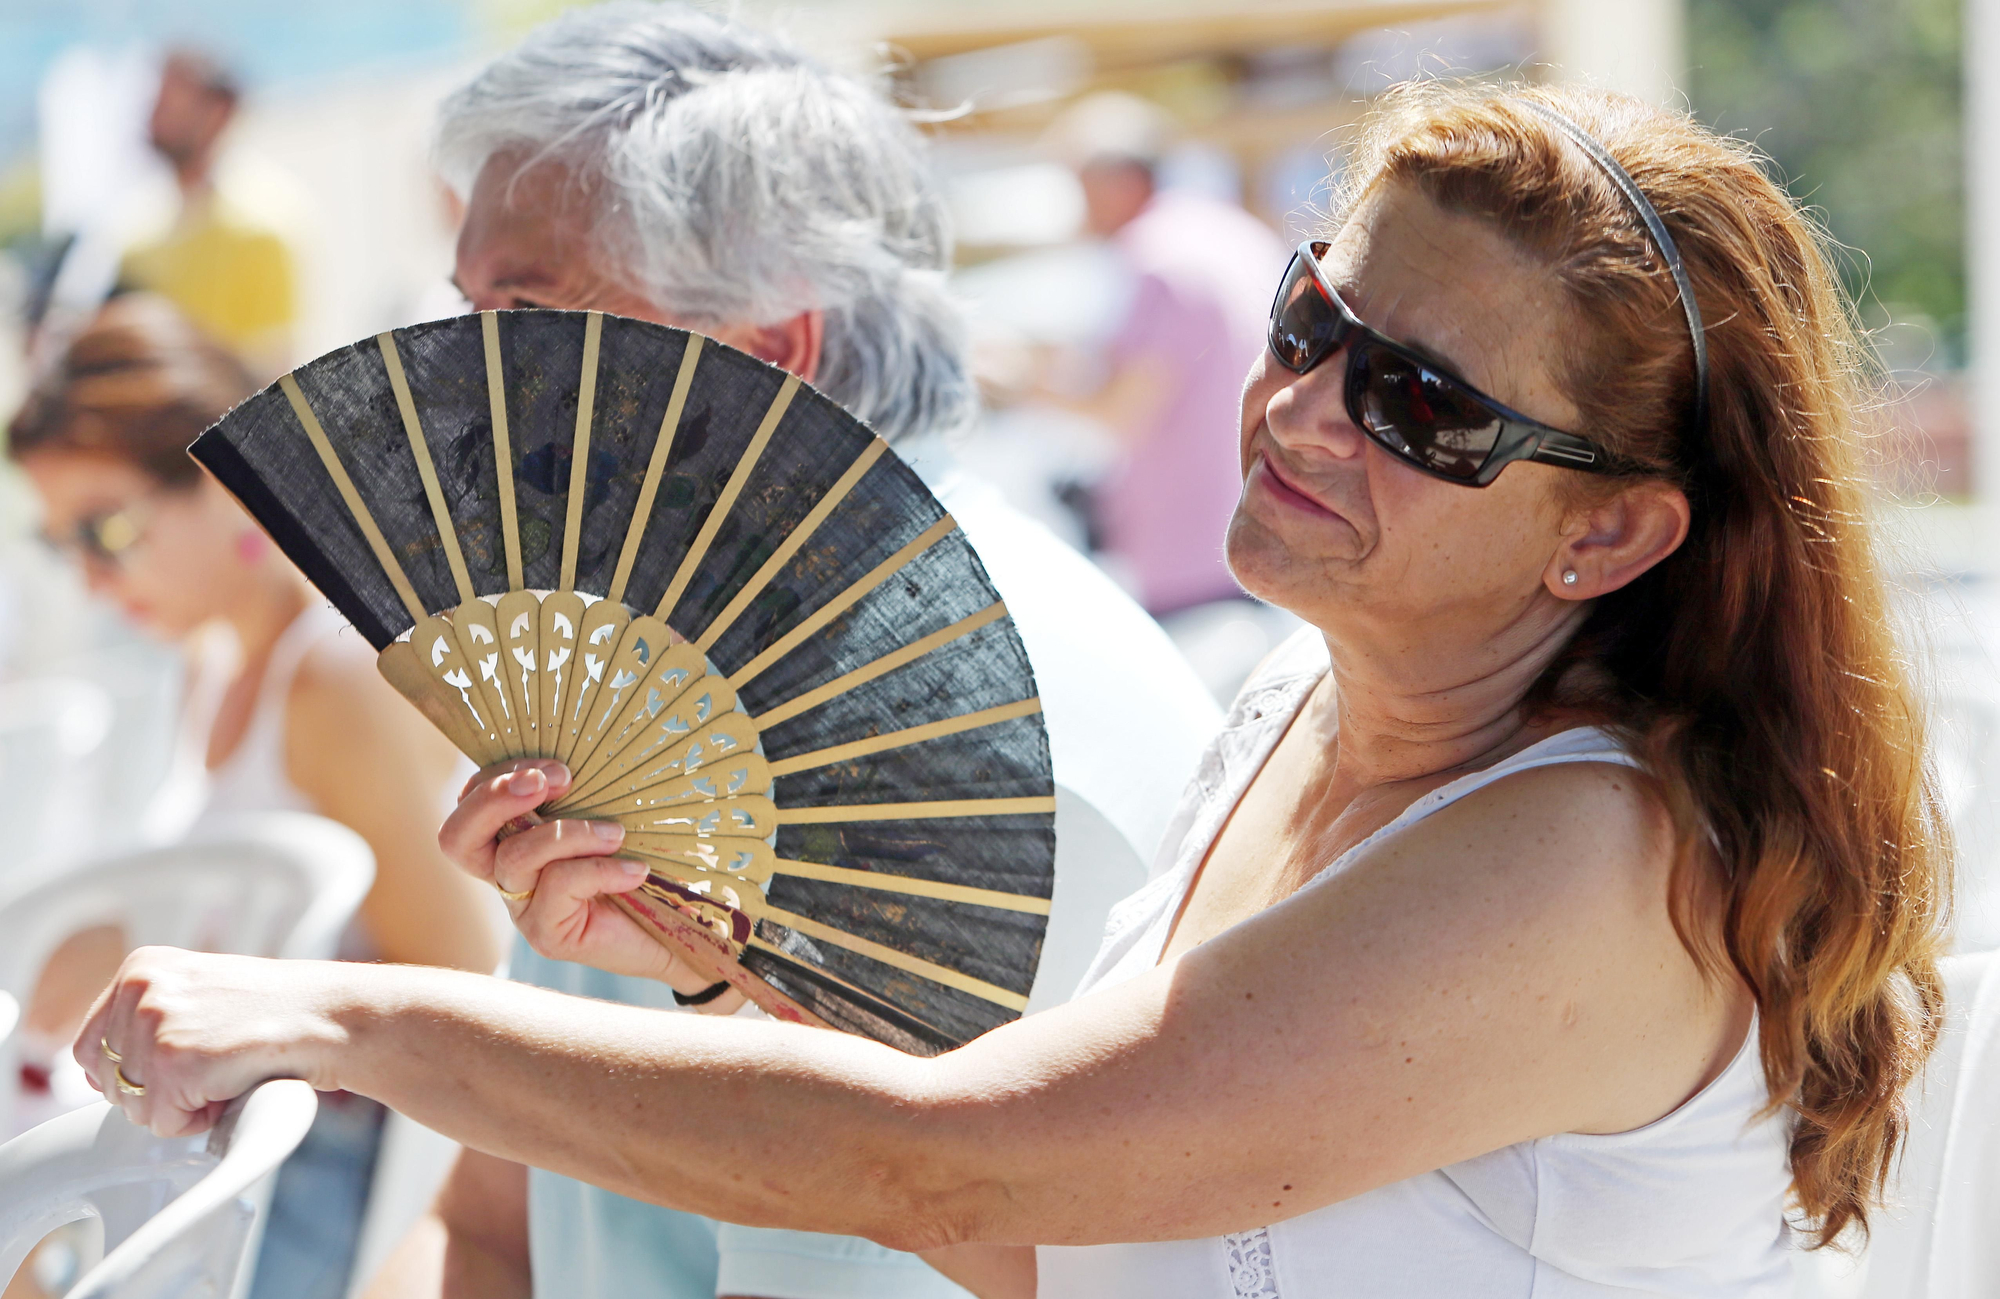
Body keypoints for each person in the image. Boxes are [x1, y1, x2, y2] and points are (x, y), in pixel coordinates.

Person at [77, 80, 1949, 1299]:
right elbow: (1068, 1234)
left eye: (1420, 404)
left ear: (1610, 536)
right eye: (1314, 319)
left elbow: (951, 1176)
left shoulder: (1583, 860)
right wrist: (733, 959)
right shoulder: (1290, 719)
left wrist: (337, 1015)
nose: (1299, 406)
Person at [387, 6, 1220, 1298]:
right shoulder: (654, 660)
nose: (457, 381)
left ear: (761, 353)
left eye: (524, 311)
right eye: (467, 309)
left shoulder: (943, 730)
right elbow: (490, 1217)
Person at [8, 293, 501, 1299]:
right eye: (64, 547)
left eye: (106, 531)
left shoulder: (328, 678)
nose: (94, 581)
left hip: (307, 1174)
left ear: (224, 485)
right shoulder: (216, 659)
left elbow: (471, 978)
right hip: (224, 1141)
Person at [1032, 92, 1288, 617]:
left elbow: (1121, 406)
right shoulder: (1230, 231)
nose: (1079, 208)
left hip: (1195, 559)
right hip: (1266, 534)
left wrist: (1020, 386)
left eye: (1080, 187)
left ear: (1117, 182)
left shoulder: (1157, 257)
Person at [119, 50, 299, 376]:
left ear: (219, 111)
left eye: (169, 100)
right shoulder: (133, 238)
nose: (154, 114)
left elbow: (268, 375)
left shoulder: (261, 230)